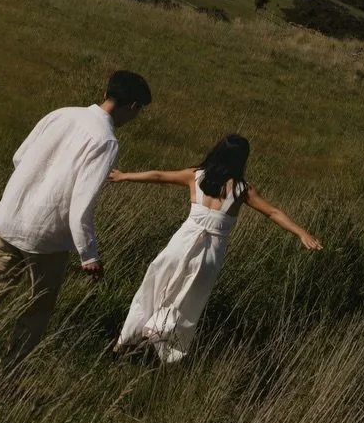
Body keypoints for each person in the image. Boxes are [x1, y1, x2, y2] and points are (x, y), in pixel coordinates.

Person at [0, 69, 152, 357]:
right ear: (134, 107)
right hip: (46, 239)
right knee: (37, 308)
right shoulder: (106, 141)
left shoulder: (61, 114)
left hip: (10, 219)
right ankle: (11, 370)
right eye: (138, 113)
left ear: (106, 94)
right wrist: (89, 254)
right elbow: (81, 203)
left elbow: (19, 157)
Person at [112, 133, 322, 363]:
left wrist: (124, 176)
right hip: (210, 253)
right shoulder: (242, 190)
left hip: (180, 245)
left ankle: (125, 342)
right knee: (188, 299)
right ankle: (157, 334)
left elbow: (160, 175)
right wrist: (302, 232)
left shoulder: (196, 175)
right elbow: (273, 212)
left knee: (153, 286)